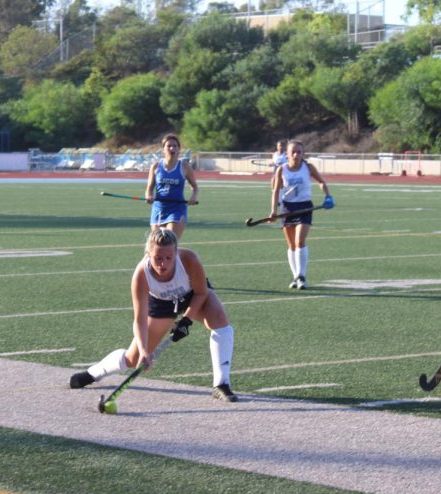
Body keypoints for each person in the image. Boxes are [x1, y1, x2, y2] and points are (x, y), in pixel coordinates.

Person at [69, 228, 237, 402]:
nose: (163, 264)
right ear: (148, 253)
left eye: (168, 258)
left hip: (192, 296)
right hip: (161, 304)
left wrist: (186, 320)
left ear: (176, 253)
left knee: (221, 322)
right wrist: (143, 351)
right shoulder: (141, 275)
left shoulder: (189, 260)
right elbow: (139, 319)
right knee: (133, 359)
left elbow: (202, 293)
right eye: (157, 258)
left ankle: (221, 384)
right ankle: (93, 373)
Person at [270, 139, 334, 290]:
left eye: (299, 152)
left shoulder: (308, 167)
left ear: (303, 153)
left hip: (305, 207)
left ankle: (301, 276)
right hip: (287, 208)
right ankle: (295, 276)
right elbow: (276, 191)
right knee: (291, 245)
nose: (296, 154)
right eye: (293, 152)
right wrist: (273, 210)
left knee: (300, 242)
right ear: (287, 154)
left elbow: (321, 182)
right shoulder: (282, 169)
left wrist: (328, 196)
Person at [145, 133, 199, 240]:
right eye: (169, 146)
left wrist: (193, 197)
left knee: (170, 242)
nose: (172, 148)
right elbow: (149, 188)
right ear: (163, 149)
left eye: (175, 146)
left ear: (179, 149)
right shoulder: (156, 166)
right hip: (159, 208)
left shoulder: (184, 166)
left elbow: (195, 187)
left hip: (177, 209)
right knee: (156, 244)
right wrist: (149, 196)